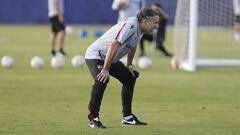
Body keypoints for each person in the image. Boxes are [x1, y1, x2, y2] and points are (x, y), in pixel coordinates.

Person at [85, 8, 159, 128]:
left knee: (129, 78)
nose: (157, 26)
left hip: (110, 57)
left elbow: (133, 46)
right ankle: (93, 119)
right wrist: (105, 69)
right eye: (155, 22)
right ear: (145, 21)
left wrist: (129, 66)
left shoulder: (140, 30)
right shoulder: (131, 26)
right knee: (102, 79)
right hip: (96, 54)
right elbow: (114, 45)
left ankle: (128, 118)